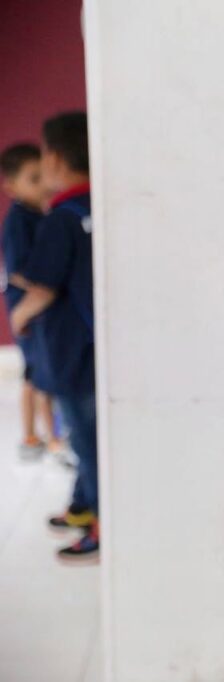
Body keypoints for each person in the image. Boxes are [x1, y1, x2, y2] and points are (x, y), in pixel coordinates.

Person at [10, 112, 99, 563]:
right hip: (95, 347)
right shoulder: (96, 206)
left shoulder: (62, 217)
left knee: (86, 440)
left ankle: (101, 527)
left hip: (72, 353)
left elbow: (42, 282)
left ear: (56, 159)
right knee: (89, 437)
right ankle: (83, 506)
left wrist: (21, 314)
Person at [1, 142, 59, 460]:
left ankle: (46, 436)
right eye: (34, 179)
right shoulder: (18, 221)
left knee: (40, 375)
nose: (44, 185)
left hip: (39, 308)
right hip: (28, 310)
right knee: (35, 376)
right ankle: (36, 437)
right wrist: (47, 285)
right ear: (11, 186)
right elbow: (19, 269)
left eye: (44, 176)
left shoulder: (41, 214)